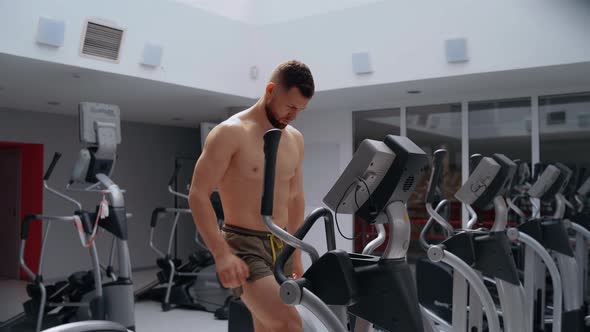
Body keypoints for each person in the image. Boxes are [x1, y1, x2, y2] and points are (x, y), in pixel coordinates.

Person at [188, 60, 314, 331]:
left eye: (300, 110)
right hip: (244, 245)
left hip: (283, 245)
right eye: (290, 106)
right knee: (289, 323)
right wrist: (221, 254)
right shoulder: (230, 133)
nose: (293, 115)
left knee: (267, 325)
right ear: (270, 91)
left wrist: (297, 254)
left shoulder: (295, 139)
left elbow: (295, 198)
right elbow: (198, 195)